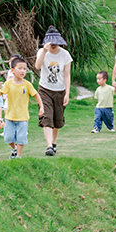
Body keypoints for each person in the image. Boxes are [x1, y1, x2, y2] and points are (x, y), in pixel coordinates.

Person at [35, 26, 72, 157]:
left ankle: (54, 142)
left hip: (60, 90)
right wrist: (44, 52)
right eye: (51, 43)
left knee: (57, 120)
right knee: (47, 117)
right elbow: (37, 66)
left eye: (56, 42)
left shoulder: (65, 54)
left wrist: (67, 93)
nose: (54, 45)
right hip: (44, 89)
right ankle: (49, 146)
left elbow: (67, 75)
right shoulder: (42, 52)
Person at [0, 57, 44, 159]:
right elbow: (0, 94)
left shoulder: (27, 85)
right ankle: (14, 148)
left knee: (21, 138)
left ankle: (18, 156)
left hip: (23, 117)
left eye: (24, 69)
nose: (23, 71)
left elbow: (36, 94)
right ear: (12, 70)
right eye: (20, 68)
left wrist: (41, 106)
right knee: (8, 137)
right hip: (10, 116)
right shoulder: (8, 84)